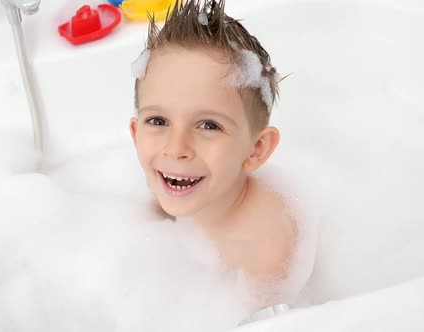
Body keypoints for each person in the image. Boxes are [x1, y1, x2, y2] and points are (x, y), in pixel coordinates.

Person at [128, 0, 302, 310]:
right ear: (135, 133)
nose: (176, 148)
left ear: (257, 149)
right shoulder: (170, 182)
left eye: (208, 125)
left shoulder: (265, 250)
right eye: (158, 121)